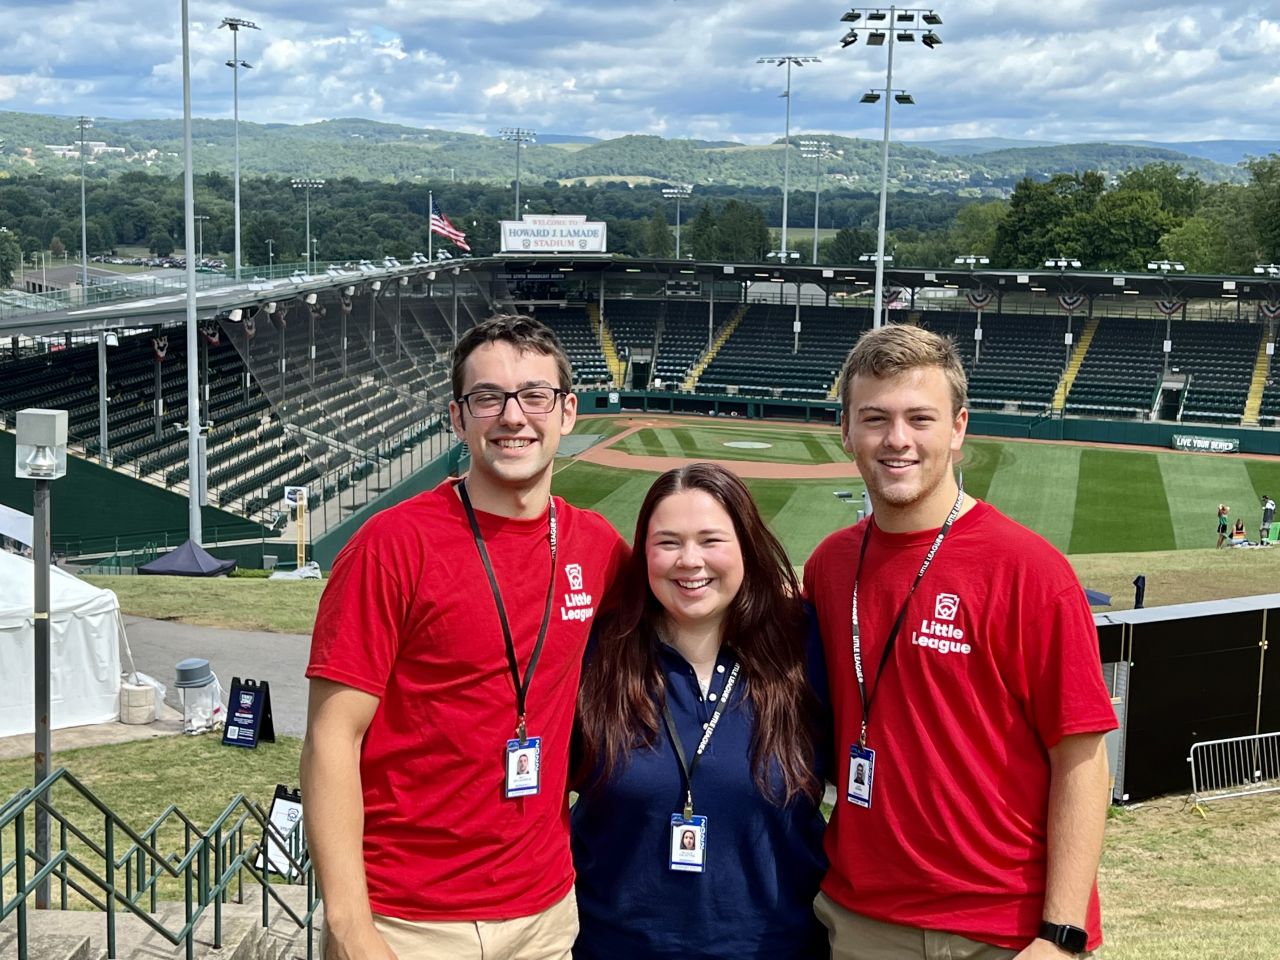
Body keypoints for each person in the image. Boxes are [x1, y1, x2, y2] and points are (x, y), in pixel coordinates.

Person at [302, 314, 628, 960]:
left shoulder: (597, 547)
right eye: (489, 399)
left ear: (566, 412)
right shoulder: (391, 546)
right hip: (407, 921)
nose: (513, 417)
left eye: (534, 396)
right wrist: (350, 926)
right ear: (458, 418)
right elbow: (331, 737)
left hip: (542, 916)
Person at [804, 324, 1117, 960]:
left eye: (921, 418)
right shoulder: (829, 566)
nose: (897, 440)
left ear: (958, 427)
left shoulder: (1029, 570)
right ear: (846, 431)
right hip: (862, 918)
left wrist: (1060, 935)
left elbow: (1082, 761)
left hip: (1000, 929)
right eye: (875, 418)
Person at [572, 463, 829, 960]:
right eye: (668, 542)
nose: (690, 561)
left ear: (746, 549)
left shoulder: (803, 646)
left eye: (711, 540)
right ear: (643, 552)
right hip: (613, 947)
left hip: (775, 948)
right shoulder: (600, 650)